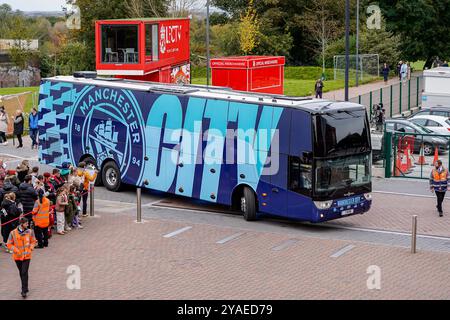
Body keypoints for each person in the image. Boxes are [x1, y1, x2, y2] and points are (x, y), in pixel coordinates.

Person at [7, 217, 37, 298]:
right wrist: (16, 250)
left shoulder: (30, 232)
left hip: (27, 256)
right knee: (22, 273)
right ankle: (26, 287)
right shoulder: (13, 233)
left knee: (24, 272)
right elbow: (9, 244)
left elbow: (34, 241)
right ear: (21, 224)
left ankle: (23, 291)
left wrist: (31, 248)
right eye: (26, 223)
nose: (28, 225)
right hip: (17, 257)